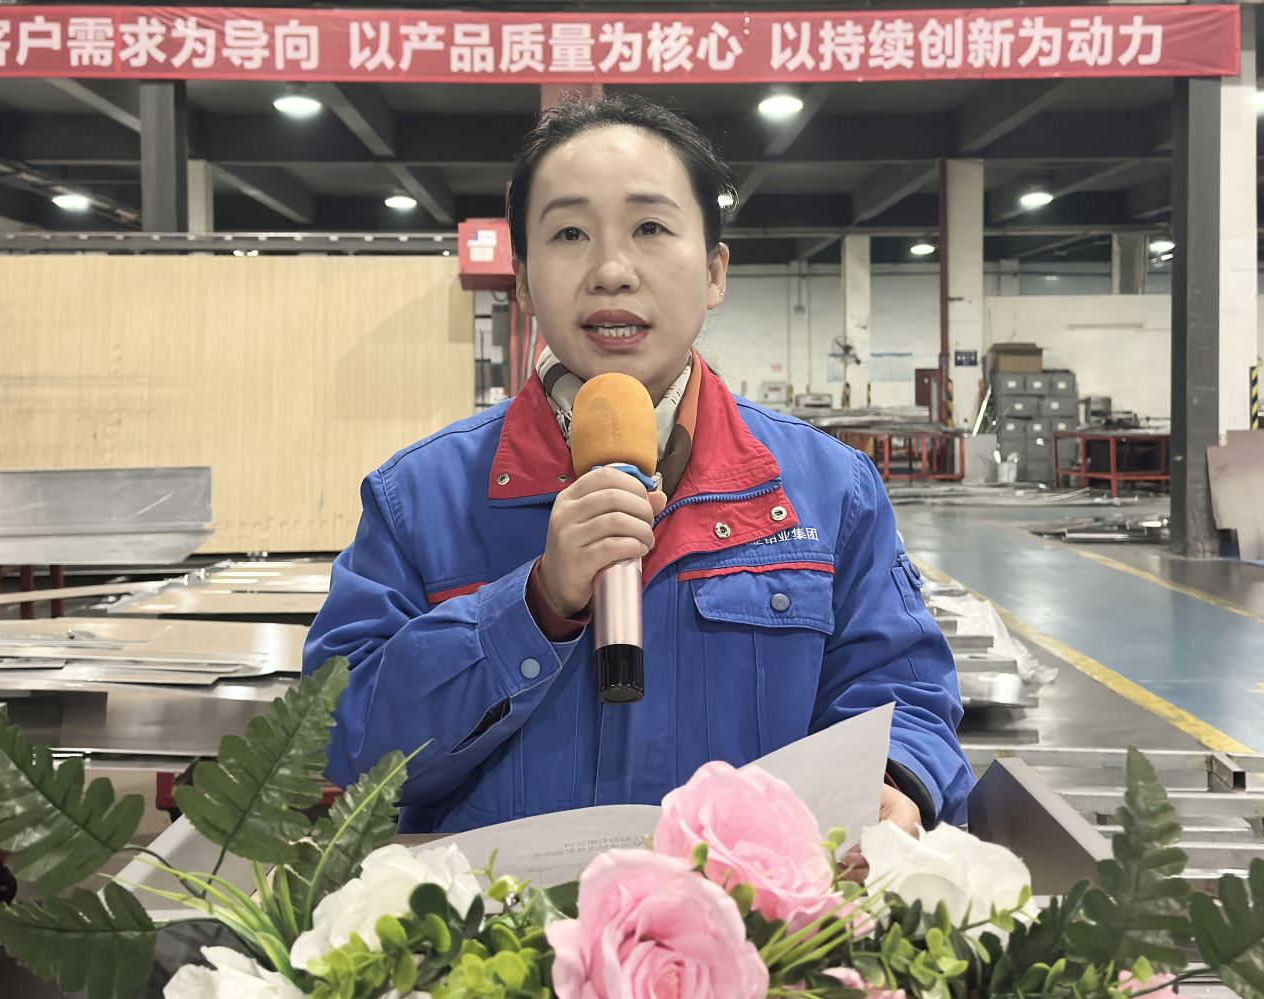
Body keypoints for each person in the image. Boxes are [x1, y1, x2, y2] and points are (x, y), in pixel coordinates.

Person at [304, 95, 971, 836]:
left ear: (714, 272)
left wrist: (895, 781)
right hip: (493, 911)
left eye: (650, 228)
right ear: (523, 279)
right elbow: (340, 741)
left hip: (743, 908)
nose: (612, 271)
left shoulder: (830, 490)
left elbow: (904, 694)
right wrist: (532, 607)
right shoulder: (417, 497)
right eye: (569, 233)